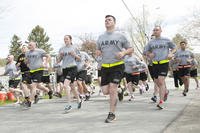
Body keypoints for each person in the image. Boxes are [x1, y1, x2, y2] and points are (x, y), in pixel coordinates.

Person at [96, 15, 133, 123]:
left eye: (109, 20)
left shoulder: (120, 35)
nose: (107, 21)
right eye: (105, 20)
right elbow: (98, 50)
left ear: (114, 22)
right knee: (105, 91)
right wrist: (98, 52)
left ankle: (112, 114)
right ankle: (120, 90)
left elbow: (130, 49)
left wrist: (123, 52)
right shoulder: (101, 37)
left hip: (117, 65)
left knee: (112, 89)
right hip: (105, 66)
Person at [144, 26, 176, 109]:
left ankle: (161, 101)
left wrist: (170, 53)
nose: (155, 31)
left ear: (161, 31)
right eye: (154, 30)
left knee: (161, 81)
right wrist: (149, 54)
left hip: (164, 63)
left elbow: (174, 48)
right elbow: (145, 51)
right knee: (157, 82)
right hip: (154, 64)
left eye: (157, 30)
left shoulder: (166, 40)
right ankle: (165, 91)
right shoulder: (151, 42)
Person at [57, 35, 81, 112]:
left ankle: (69, 104)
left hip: (72, 68)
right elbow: (58, 60)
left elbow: (79, 59)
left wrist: (74, 55)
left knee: (65, 85)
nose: (65, 40)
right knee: (72, 87)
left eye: (67, 39)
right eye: (64, 39)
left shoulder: (75, 47)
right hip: (65, 68)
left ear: (70, 40)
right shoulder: (61, 49)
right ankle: (79, 100)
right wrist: (60, 56)